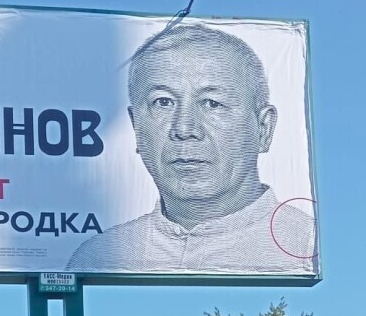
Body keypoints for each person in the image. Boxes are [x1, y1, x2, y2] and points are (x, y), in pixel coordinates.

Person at [67, 23, 316, 274]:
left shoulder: (308, 246)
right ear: (136, 126)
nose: (184, 128)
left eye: (212, 103)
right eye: (163, 102)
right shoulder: (97, 258)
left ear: (264, 128)